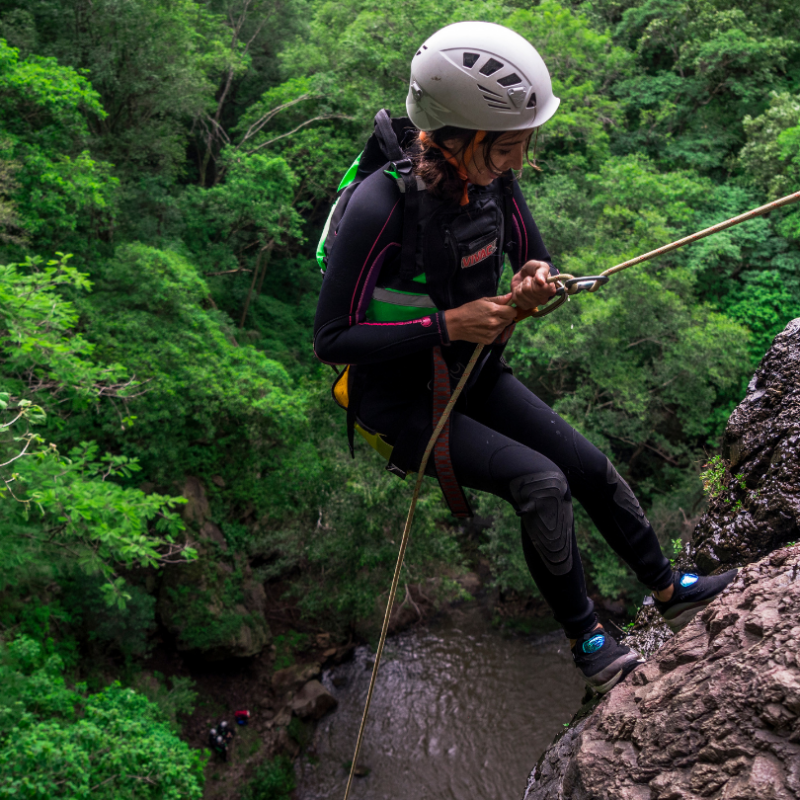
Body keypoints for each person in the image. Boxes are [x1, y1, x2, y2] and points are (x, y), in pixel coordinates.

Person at [313, 20, 737, 694]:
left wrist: (536, 282)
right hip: (398, 402)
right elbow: (330, 340)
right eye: (507, 148)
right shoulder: (379, 207)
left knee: (587, 466)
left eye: (522, 146)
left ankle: (666, 585)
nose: (518, 162)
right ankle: (589, 641)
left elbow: (532, 257)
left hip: (474, 377)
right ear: (457, 136)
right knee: (541, 482)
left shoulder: (491, 181)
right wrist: (447, 322)